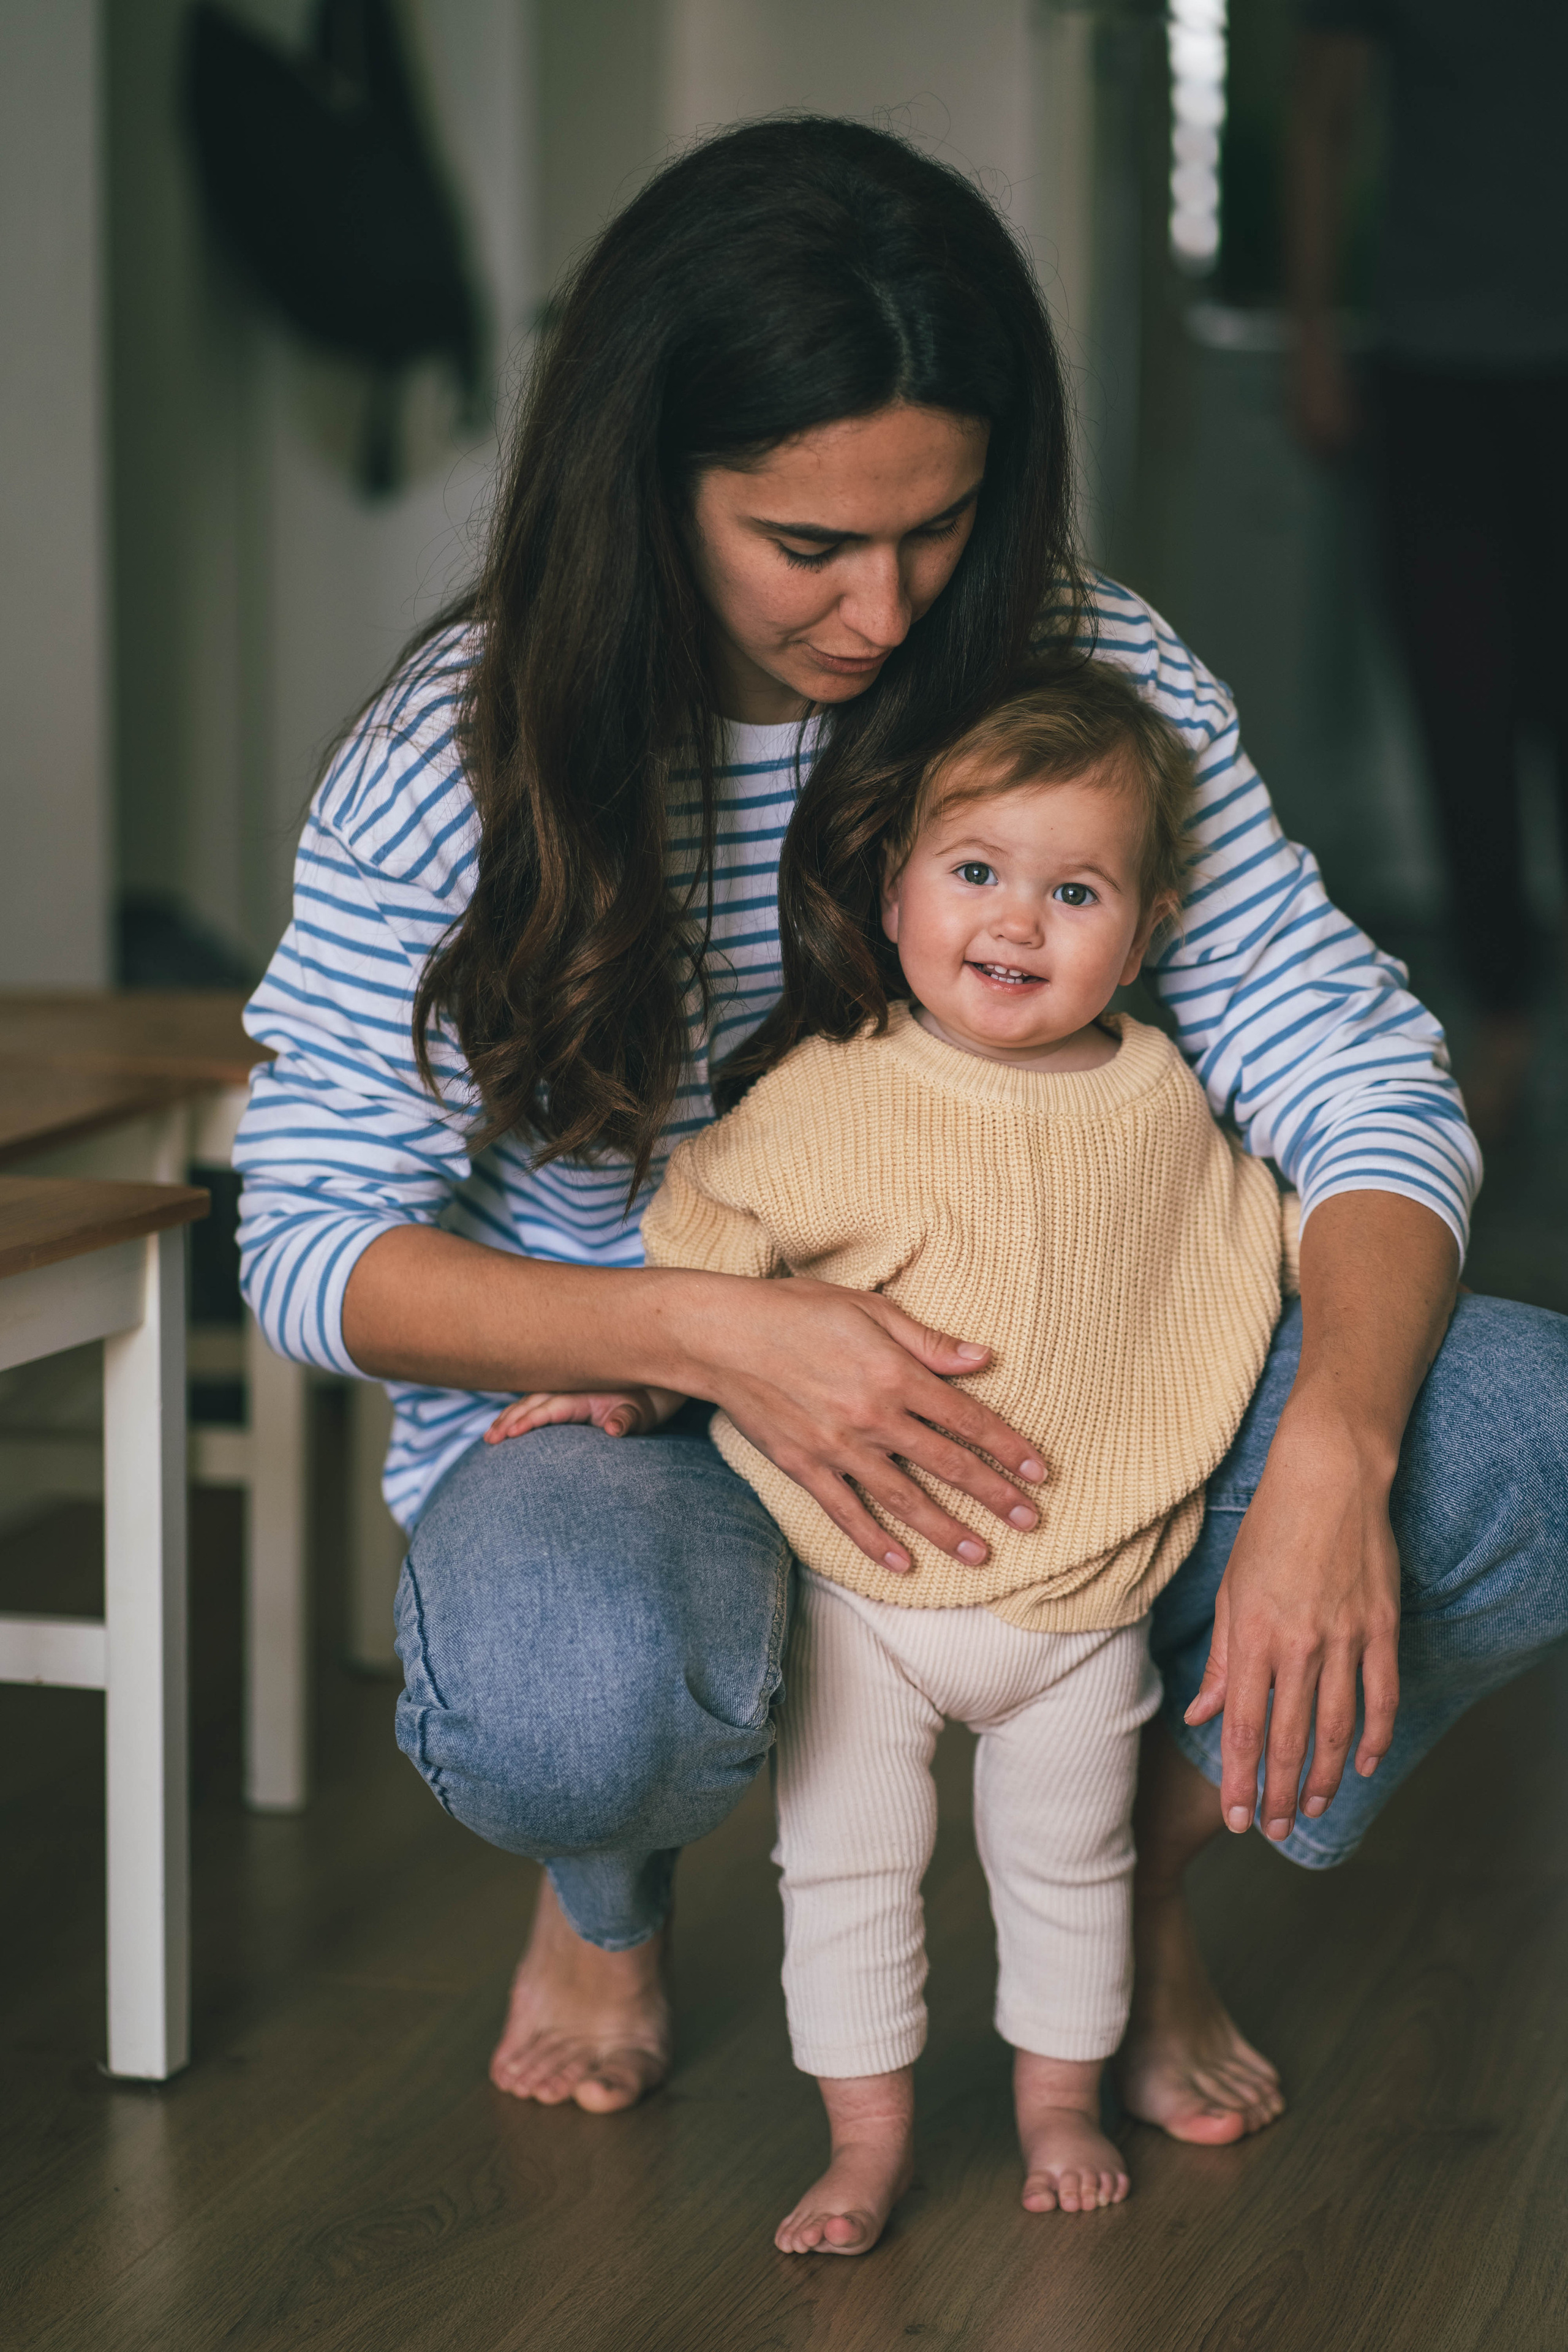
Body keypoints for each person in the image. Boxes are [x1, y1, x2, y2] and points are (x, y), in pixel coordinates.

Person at [233, 118, 1567, 2143]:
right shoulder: (463, 753)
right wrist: (701, 1337)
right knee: (577, 1700)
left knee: (1526, 1429)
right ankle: (606, 1897)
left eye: (935, 529)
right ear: (644, 486)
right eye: (809, 546)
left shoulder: (1085, 672)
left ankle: (1117, 1875)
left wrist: (1340, 1446)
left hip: (1103, 1393)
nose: (882, 614)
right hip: (649, 1420)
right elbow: (313, 1245)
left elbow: (1357, 1071)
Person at [486, 662, 1298, 2250]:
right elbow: (712, 1279)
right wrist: (633, 1387)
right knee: (846, 1875)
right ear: (896, 886)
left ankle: (1059, 2097)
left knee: (1073, 1864)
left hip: (1084, 1604)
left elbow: (1251, 1263)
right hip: (867, 1593)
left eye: (1076, 890)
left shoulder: (1169, 1106)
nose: (1018, 920)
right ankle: (865, 2143)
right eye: (977, 872)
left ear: (1148, 923)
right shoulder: (835, 1087)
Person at [1287, 0, 1568, 1138]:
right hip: (1431, 370)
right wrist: (1312, 335)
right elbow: (1322, 115)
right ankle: (1502, 1019)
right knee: (1464, 703)